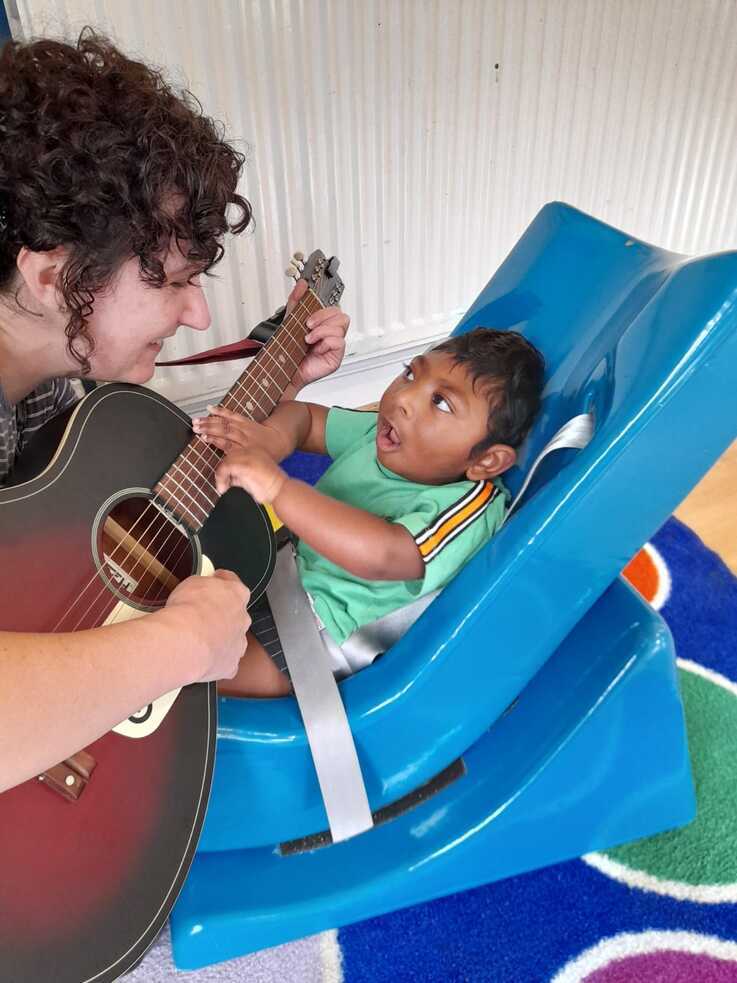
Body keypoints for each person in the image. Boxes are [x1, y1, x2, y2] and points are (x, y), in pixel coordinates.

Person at [0, 31, 349, 792]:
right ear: (54, 275)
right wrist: (181, 645)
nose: (196, 314)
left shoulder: (42, 364)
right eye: (172, 282)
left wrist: (274, 376)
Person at [192, 327, 545, 697]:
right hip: (277, 566)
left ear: (487, 460)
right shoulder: (385, 437)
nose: (404, 398)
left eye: (441, 403)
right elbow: (307, 419)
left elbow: (384, 554)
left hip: (311, 636)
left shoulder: (466, 506)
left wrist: (279, 488)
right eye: (411, 372)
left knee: (193, 669)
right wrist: (273, 441)